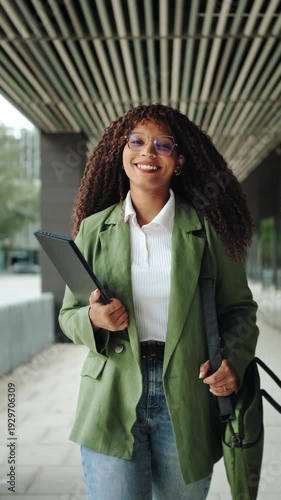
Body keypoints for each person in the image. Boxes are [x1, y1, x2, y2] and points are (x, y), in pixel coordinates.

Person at [59, 103, 259, 500]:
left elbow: (240, 311)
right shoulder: (94, 230)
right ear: (122, 151)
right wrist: (95, 319)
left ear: (179, 161)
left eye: (162, 145)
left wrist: (232, 363)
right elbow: (69, 315)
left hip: (188, 397)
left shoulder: (208, 231)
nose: (147, 152)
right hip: (111, 399)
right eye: (137, 141)